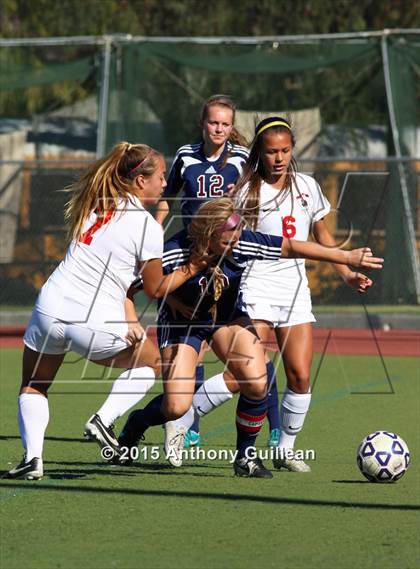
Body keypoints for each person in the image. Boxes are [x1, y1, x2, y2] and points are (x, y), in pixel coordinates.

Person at [113, 197, 383, 478]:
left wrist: (346, 258)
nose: (238, 240)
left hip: (226, 318)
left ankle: (245, 456)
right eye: (229, 237)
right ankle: (137, 422)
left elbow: (291, 246)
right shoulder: (173, 251)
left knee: (256, 380)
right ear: (208, 234)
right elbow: (128, 289)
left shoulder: (242, 241)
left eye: (239, 232)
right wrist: (144, 317)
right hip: (183, 326)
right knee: (176, 406)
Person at [169, 116, 376, 472]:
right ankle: (182, 418)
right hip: (255, 285)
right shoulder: (245, 190)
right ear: (259, 153)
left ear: (292, 150)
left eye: (284, 151)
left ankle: (285, 448)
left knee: (299, 374)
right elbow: (223, 235)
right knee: (246, 373)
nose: (278, 158)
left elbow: (322, 237)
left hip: (295, 289)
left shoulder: (308, 186)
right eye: (270, 152)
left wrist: (345, 273)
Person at [5, 142, 199, 480]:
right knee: (151, 363)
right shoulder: (147, 228)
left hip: (49, 306)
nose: (166, 183)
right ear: (140, 181)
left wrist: (128, 316)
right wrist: (195, 265)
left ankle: (32, 459)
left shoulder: (98, 203)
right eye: (161, 177)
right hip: (90, 319)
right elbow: (154, 288)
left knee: (33, 386)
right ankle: (103, 419)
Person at [156, 94, 248, 448]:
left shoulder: (241, 159)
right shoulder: (185, 156)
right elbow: (167, 197)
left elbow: (250, 202)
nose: (220, 129)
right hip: (192, 251)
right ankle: (182, 419)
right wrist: (154, 232)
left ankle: (189, 418)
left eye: (226, 124)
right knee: (190, 328)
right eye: (214, 123)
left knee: (224, 334)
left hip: (225, 256)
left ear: (231, 126)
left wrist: (235, 215)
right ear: (202, 123)